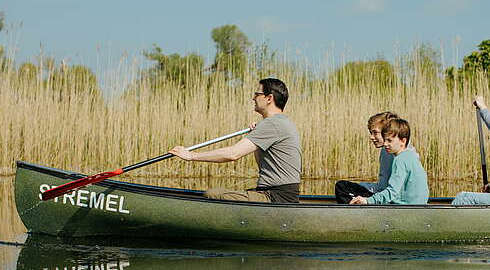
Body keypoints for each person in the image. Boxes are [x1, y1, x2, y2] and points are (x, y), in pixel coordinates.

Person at [169, 78, 302, 203]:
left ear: (269, 98)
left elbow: (233, 154)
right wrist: (256, 136)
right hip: (277, 194)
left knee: (212, 194)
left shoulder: (272, 124)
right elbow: (263, 164)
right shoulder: (280, 122)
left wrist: (191, 155)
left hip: (275, 197)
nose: (253, 98)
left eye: (257, 94)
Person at [349, 118, 429, 205]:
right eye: (385, 140)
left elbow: (392, 191)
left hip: (406, 207)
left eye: (389, 140)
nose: (385, 144)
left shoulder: (400, 160)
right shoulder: (411, 156)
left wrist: (368, 200)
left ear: (403, 141)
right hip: (420, 204)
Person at [334, 112, 399, 204]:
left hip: (387, 198)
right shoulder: (403, 150)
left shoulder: (387, 151)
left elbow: (382, 187)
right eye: (371, 133)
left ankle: (352, 215)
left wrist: (361, 186)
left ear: (387, 132)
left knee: (341, 186)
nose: (371, 137)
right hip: (389, 195)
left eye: (375, 133)